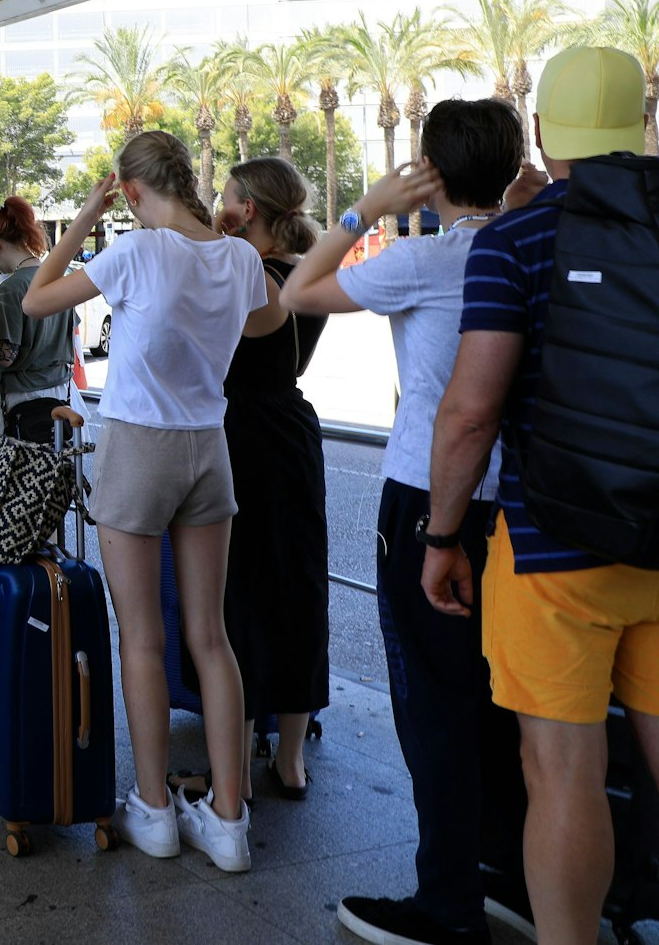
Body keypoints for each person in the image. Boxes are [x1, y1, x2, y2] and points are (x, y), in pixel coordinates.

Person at [423, 46, 657, 945]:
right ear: (636, 124)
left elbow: (470, 414)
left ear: (547, 137)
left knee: (561, 770)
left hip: (556, 547)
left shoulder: (516, 241)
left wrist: (442, 535)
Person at [283, 99, 530, 945]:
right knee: (506, 699)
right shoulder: (528, 245)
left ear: (430, 169)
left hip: (429, 497)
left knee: (434, 704)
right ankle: (515, 874)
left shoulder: (424, 259)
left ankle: (447, 904)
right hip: (518, 499)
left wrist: (368, 209)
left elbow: (296, 292)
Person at [23, 131, 270, 874]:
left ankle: (154, 807)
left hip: (139, 446)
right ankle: (229, 820)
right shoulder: (240, 258)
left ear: (128, 192)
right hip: (209, 448)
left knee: (142, 638)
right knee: (209, 634)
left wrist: (78, 223)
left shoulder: (133, 252)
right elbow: (268, 320)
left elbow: (37, 298)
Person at [211, 156, 330, 798]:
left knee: (241, 590)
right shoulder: (306, 270)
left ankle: (236, 771)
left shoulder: (248, 274)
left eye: (226, 196)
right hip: (293, 428)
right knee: (299, 585)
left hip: (240, 432)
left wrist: (209, 232)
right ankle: (290, 758)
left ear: (247, 208)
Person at [0, 195, 76, 457]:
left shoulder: (11, 288)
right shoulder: (59, 276)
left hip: (22, 403)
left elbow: (6, 357)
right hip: (61, 394)